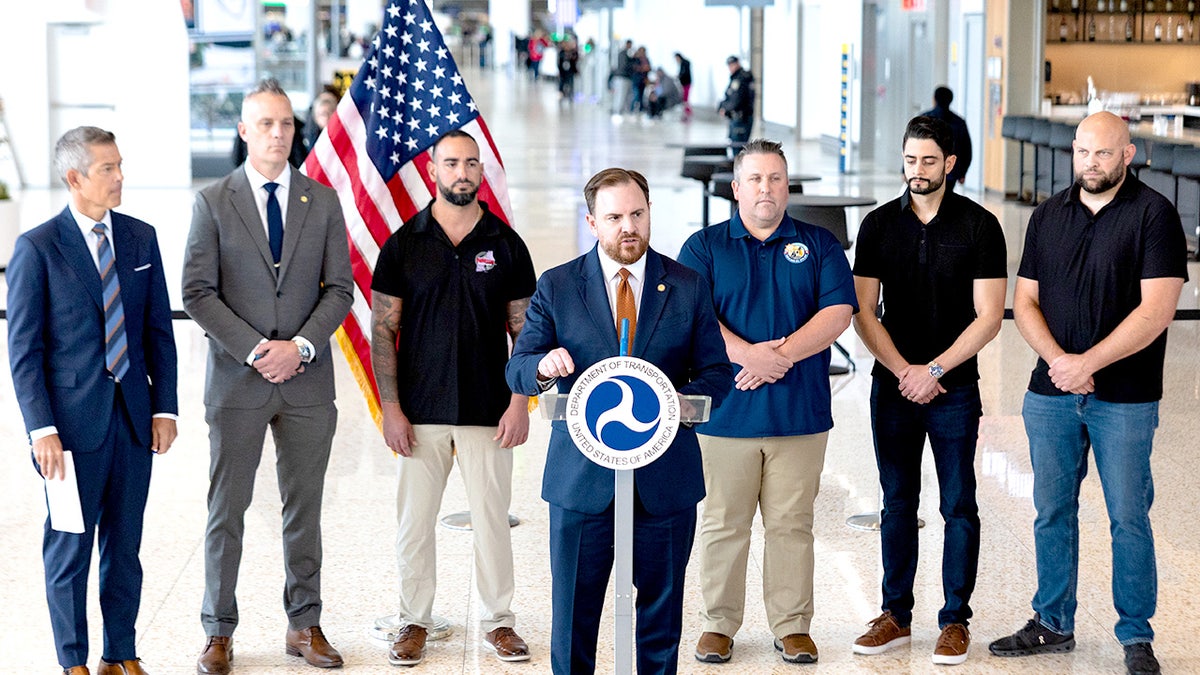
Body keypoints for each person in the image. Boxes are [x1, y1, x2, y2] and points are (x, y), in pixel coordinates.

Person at [506, 168, 732, 674]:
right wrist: (542, 368)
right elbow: (518, 368)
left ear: (650, 213)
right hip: (581, 484)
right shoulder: (558, 285)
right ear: (592, 222)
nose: (628, 227)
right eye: (614, 217)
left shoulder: (688, 286)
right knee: (573, 620)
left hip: (664, 482)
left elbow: (717, 374)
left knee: (661, 617)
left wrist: (678, 400)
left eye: (637, 214)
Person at [988, 111, 1186, 675]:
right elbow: (1024, 301)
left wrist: (1089, 364)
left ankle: (1136, 637)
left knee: (1128, 515)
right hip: (1049, 393)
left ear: (1129, 154)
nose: (1090, 164)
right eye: (1082, 153)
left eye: (1103, 153)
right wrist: (1059, 362)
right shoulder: (1048, 215)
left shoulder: (1155, 216)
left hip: (1124, 397)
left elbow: (1157, 310)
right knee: (1051, 511)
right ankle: (1052, 623)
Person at [182, 78, 354, 674]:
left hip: (307, 383)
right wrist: (259, 349)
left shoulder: (322, 201)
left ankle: (304, 624)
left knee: (303, 507)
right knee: (227, 509)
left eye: (286, 124)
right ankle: (218, 631)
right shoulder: (212, 202)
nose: (278, 134)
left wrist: (300, 346)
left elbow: (341, 289)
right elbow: (198, 293)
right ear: (244, 130)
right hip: (237, 383)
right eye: (265, 125)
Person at [677, 139, 858, 665]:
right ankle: (718, 624)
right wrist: (745, 357)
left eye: (776, 178)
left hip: (798, 415)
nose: (766, 188)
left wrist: (778, 358)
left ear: (787, 185)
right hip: (725, 416)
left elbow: (838, 313)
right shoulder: (705, 247)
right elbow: (695, 316)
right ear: (736, 188)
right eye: (755, 179)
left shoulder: (819, 244)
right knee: (723, 523)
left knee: (791, 524)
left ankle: (792, 625)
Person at [8, 126, 178, 675]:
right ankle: (73, 662)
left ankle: (120, 653)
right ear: (74, 178)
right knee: (70, 552)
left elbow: (158, 334)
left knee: (124, 551)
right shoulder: (37, 247)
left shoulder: (139, 238)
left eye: (120, 165)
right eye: (108, 169)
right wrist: (42, 430)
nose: (120, 176)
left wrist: (164, 408)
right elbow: (24, 352)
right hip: (69, 434)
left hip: (132, 422)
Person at [370, 130, 537, 667]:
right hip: (418, 415)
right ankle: (413, 619)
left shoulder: (507, 244)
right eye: (450, 163)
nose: (461, 171)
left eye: (470, 163)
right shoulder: (402, 243)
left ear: (480, 170)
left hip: (490, 411)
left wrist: (519, 402)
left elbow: (525, 333)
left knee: (492, 519)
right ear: (433, 172)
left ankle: (499, 621)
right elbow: (382, 331)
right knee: (413, 524)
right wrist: (390, 409)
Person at [850, 116, 1007, 666]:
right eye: (910, 160)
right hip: (892, 387)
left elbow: (989, 317)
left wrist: (933, 371)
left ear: (951, 164)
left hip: (955, 389)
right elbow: (863, 312)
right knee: (897, 502)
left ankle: (955, 621)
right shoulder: (876, 226)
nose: (917, 171)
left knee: (959, 504)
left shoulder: (981, 226)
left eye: (928, 161)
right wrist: (903, 371)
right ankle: (895, 615)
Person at [920, 86, 972, 191]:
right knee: (946, 201)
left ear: (934, 99)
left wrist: (905, 169)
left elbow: (914, 146)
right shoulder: (959, 122)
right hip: (950, 172)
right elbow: (966, 150)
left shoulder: (924, 119)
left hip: (927, 170)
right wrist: (962, 172)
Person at [718, 56, 755, 143]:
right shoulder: (737, 77)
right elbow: (729, 95)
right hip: (737, 118)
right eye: (729, 66)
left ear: (738, 63)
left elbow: (736, 100)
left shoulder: (741, 78)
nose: (731, 68)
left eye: (733, 65)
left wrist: (724, 108)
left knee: (738, 149)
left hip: (741, 118)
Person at [303, 86, 339, 150]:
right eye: (323, 114)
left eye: (330, 113)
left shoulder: (342, 133)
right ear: (316, 118)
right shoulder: (311, 137)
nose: (327, 117)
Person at [610, 40, 634, 115]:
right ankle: (617, 111)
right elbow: (624, 66)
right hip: (622, 77)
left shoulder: (622, 54)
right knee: (620, 95)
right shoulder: (623, 54)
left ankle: (618, 110)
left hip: (620, 77)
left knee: (621, 95)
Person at [629, 46, 651, 113]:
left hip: (643, 81)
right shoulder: (635, 59)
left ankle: (640, 111)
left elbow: (649, 68)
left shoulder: (646, 60)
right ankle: (632, 110)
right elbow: (632, 67)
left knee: (641, 97)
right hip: (636, 80)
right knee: (636, 95)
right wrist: (642, 68)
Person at [674, 52, 692, 119]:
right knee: (684, 99)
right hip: (684, 83)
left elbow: (684, 73)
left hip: (686, 83)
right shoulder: (682, 64)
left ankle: (688, 113)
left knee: (685, 99)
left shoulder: (685, 63)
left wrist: (679, 76)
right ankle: (686, 112)